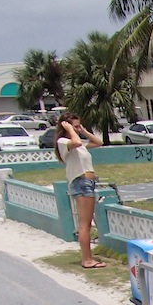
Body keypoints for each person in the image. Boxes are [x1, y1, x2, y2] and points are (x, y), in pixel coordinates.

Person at [55, 113, 104, 269]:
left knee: (86, 224)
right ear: (65, 127)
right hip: (81, 182)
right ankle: (87, 260)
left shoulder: (79, 143)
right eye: (75, 126)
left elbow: (99, 142)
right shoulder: (64, 142)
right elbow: (75, 142)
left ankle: (88, 258)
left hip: (87, 182)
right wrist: (70, 130)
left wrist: (83, 130)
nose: (77, 129)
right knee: (85, 225)